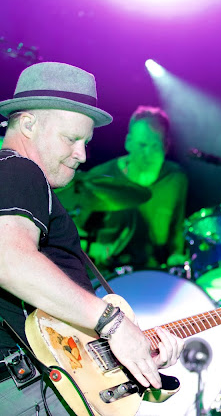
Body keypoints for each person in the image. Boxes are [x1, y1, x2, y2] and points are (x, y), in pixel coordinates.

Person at [0, 62, 184, 415]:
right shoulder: (19, 170)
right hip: (27, 391)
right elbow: (9, 260)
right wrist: (113, 324)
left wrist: (130, 353)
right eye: (72, 139)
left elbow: (58, 333)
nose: (83, 154)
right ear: (28, 123)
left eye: (87, 142)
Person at [81, 105, 188, 271]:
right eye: (142, 145)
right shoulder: (100, 177)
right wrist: (95, 249)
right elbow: (70, 233)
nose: (148, 154)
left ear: (166, 146)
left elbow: (177, 228)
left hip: (156, 274)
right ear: (128, 143)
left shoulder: (175, 178)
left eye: (155, 146)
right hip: (106, 276)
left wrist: (176, 254)